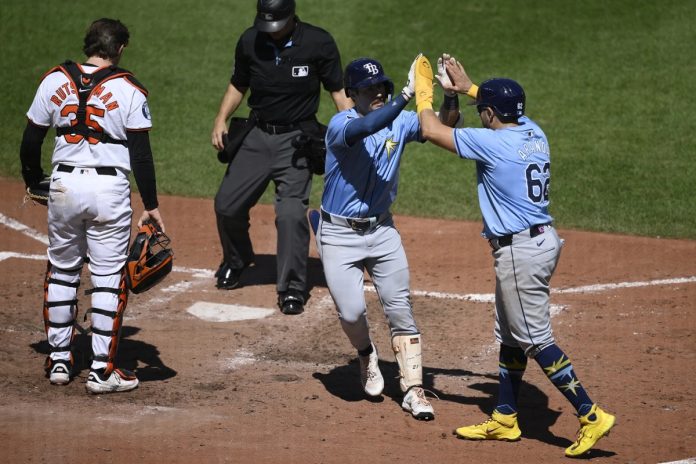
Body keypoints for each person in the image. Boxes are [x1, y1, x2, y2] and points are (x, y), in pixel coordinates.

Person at [415, 54, 615, 456]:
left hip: (520, 252)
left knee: (534, 338)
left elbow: (432, 129)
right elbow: (498, 110)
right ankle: (505, 417)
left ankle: (590, 414)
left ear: (489, 114)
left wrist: (424, 89)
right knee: (509, 334)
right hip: (538, 242)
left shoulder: (491, 143)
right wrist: (469, 87)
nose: (479, 113)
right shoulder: (533, 132)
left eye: (481, 109)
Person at [19, 18, 165, 394]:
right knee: (108, 278)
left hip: (64, 186)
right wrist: (151, 204)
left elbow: (31, 140)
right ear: (120, 49)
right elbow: (142, 156)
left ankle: (59, 362)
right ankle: (102, 371)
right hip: (108, 191)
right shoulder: (130, 89)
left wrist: (34, 180)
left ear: (88, 45)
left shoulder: (53, 79)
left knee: (63, 271)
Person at [316, 56, 459, 420]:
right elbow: (367, 127)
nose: (378, 92)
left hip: (381, 231)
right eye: (368, 88)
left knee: (400, 310)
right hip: (338, 234)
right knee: (350, 313)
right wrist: (408, 95)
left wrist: (450, 96)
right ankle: (366, 355)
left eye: (382, 86)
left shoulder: (400, 120)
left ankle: (413, 391)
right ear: (352, 94)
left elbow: (442, 126)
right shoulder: (341, 124)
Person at [211, 0, 352, 315]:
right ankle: (237, 259)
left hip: (297, 141)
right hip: (257, 136)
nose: (271, 33)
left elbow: (338, 92)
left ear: (291, 17)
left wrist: (353, 132)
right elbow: (239, 83)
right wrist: (221, 118)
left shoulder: (319, 42)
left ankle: (292, 288)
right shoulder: (250, 40)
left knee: (290, 214)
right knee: (226, 205)